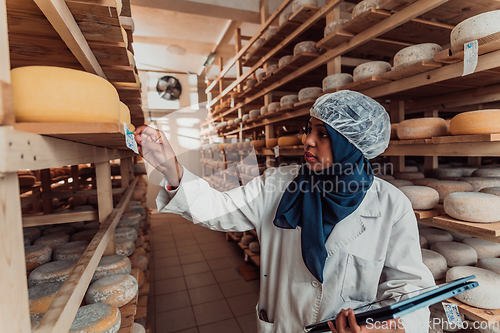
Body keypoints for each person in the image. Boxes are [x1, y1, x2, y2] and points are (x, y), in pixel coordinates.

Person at [134, 90, 435, 333]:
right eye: (309, 130)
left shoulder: (391, 206)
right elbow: (219, 208)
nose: (308, 140)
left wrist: (392, 329)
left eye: (324, 133)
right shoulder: (278, 184)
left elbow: (412, 290)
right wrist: (170, 166)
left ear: (352, 144)